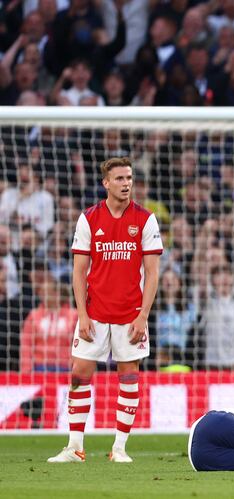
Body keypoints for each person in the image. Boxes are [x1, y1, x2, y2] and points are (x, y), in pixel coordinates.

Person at [48, 157, 162, 463]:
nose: (126, 183)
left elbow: (152, 273)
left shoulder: (146, 219)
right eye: (120, 178)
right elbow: (78, 271)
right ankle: (74, 448)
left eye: (129, 178)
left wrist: (143, 315)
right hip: (94, 313)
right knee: (78, 374)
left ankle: (120, 449)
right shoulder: (88, 219)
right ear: (106, 183)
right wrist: (82, 314)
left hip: (130, 315)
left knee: (129, 376)